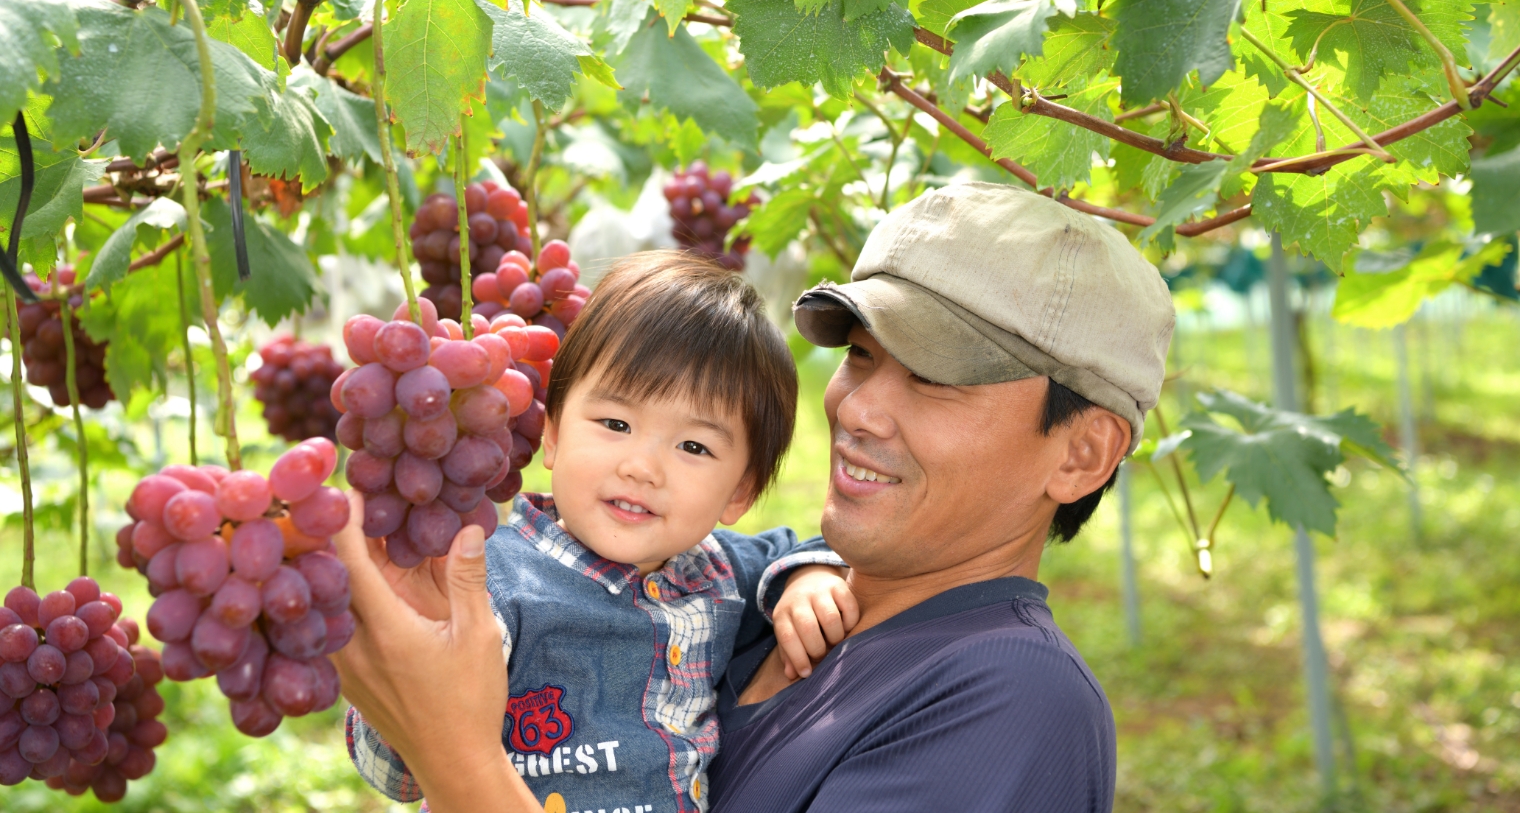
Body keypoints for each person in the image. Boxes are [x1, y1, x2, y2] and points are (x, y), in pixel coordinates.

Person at [333, 181, 1174, 813]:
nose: (857, 408)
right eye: (864, 357)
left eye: (934, 379)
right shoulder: (724, 594)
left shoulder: (1013, 703)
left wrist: (459, 759)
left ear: (1082, 453)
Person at [342, 252, 858, 813]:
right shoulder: (494, 587)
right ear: (554, 435)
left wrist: (807, 577)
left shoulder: (719, 569)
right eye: (616, 424)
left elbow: (789, 549)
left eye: (694, 446)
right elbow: (399, 775)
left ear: (740, 492)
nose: (642, 467)